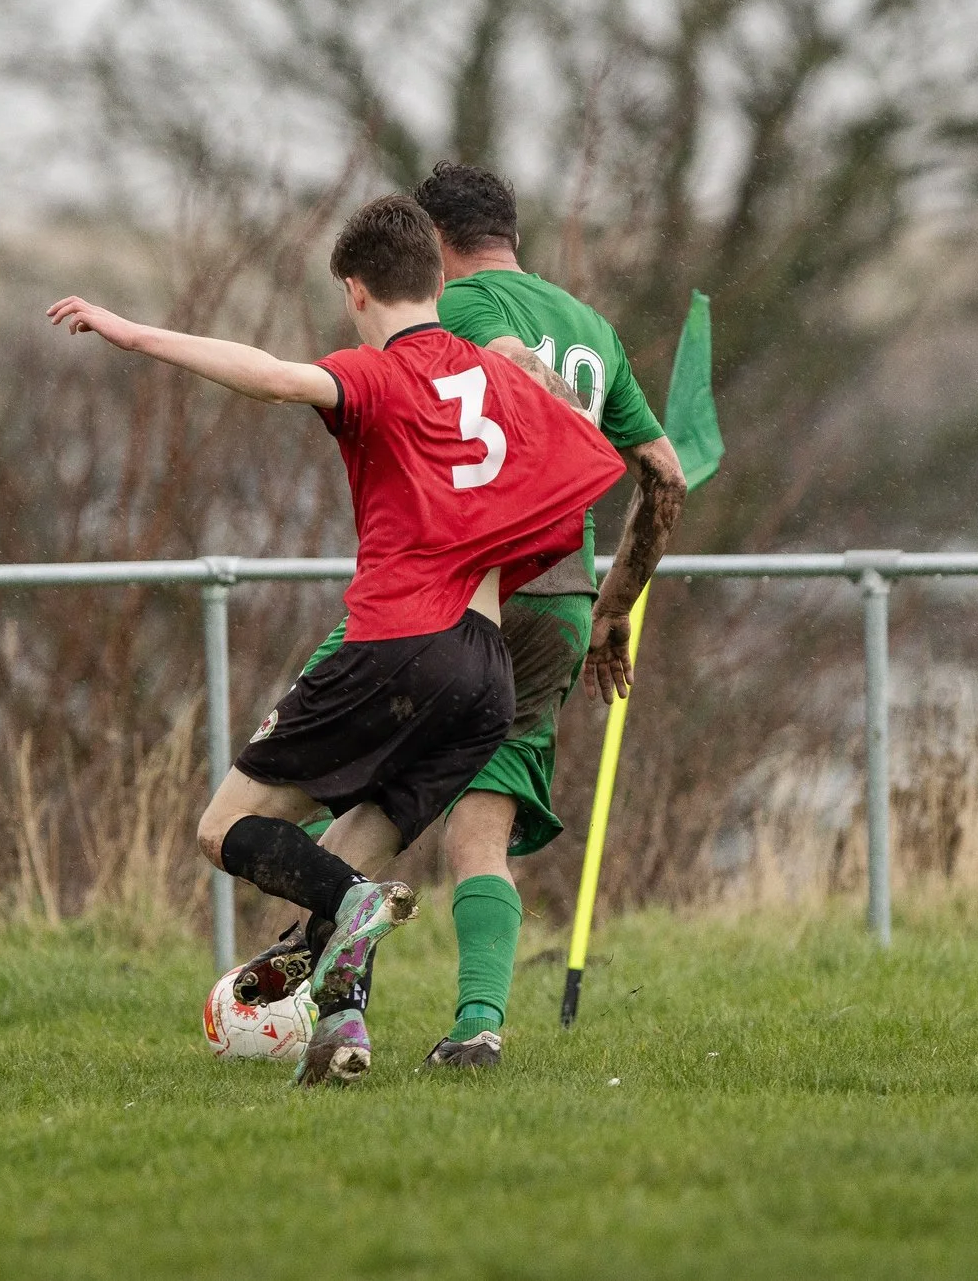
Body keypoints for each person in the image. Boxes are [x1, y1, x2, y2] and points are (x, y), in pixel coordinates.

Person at [46, 194, 624, 1085]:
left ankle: (354, 913)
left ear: (356, 293)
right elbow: (590, 454)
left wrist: (132, 333)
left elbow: (272, 374)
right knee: (346, 858)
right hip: (485, 677)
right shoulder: (501, 378)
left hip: (394, 647)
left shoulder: (381, 375)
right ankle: (341, 1033)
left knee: (225, 829)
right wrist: (527, 378)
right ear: (439, 276)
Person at [233, 163, 687, 1070]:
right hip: (559, 603)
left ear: (434, 250)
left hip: (457, 592)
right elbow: (666, 475)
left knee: (337, 786)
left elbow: (468, 392)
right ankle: (477, 1025)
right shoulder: (590, 325)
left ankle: (306, 967)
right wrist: (613, 609)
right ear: (511, 232)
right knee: (479, 830)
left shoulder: (459, 312)